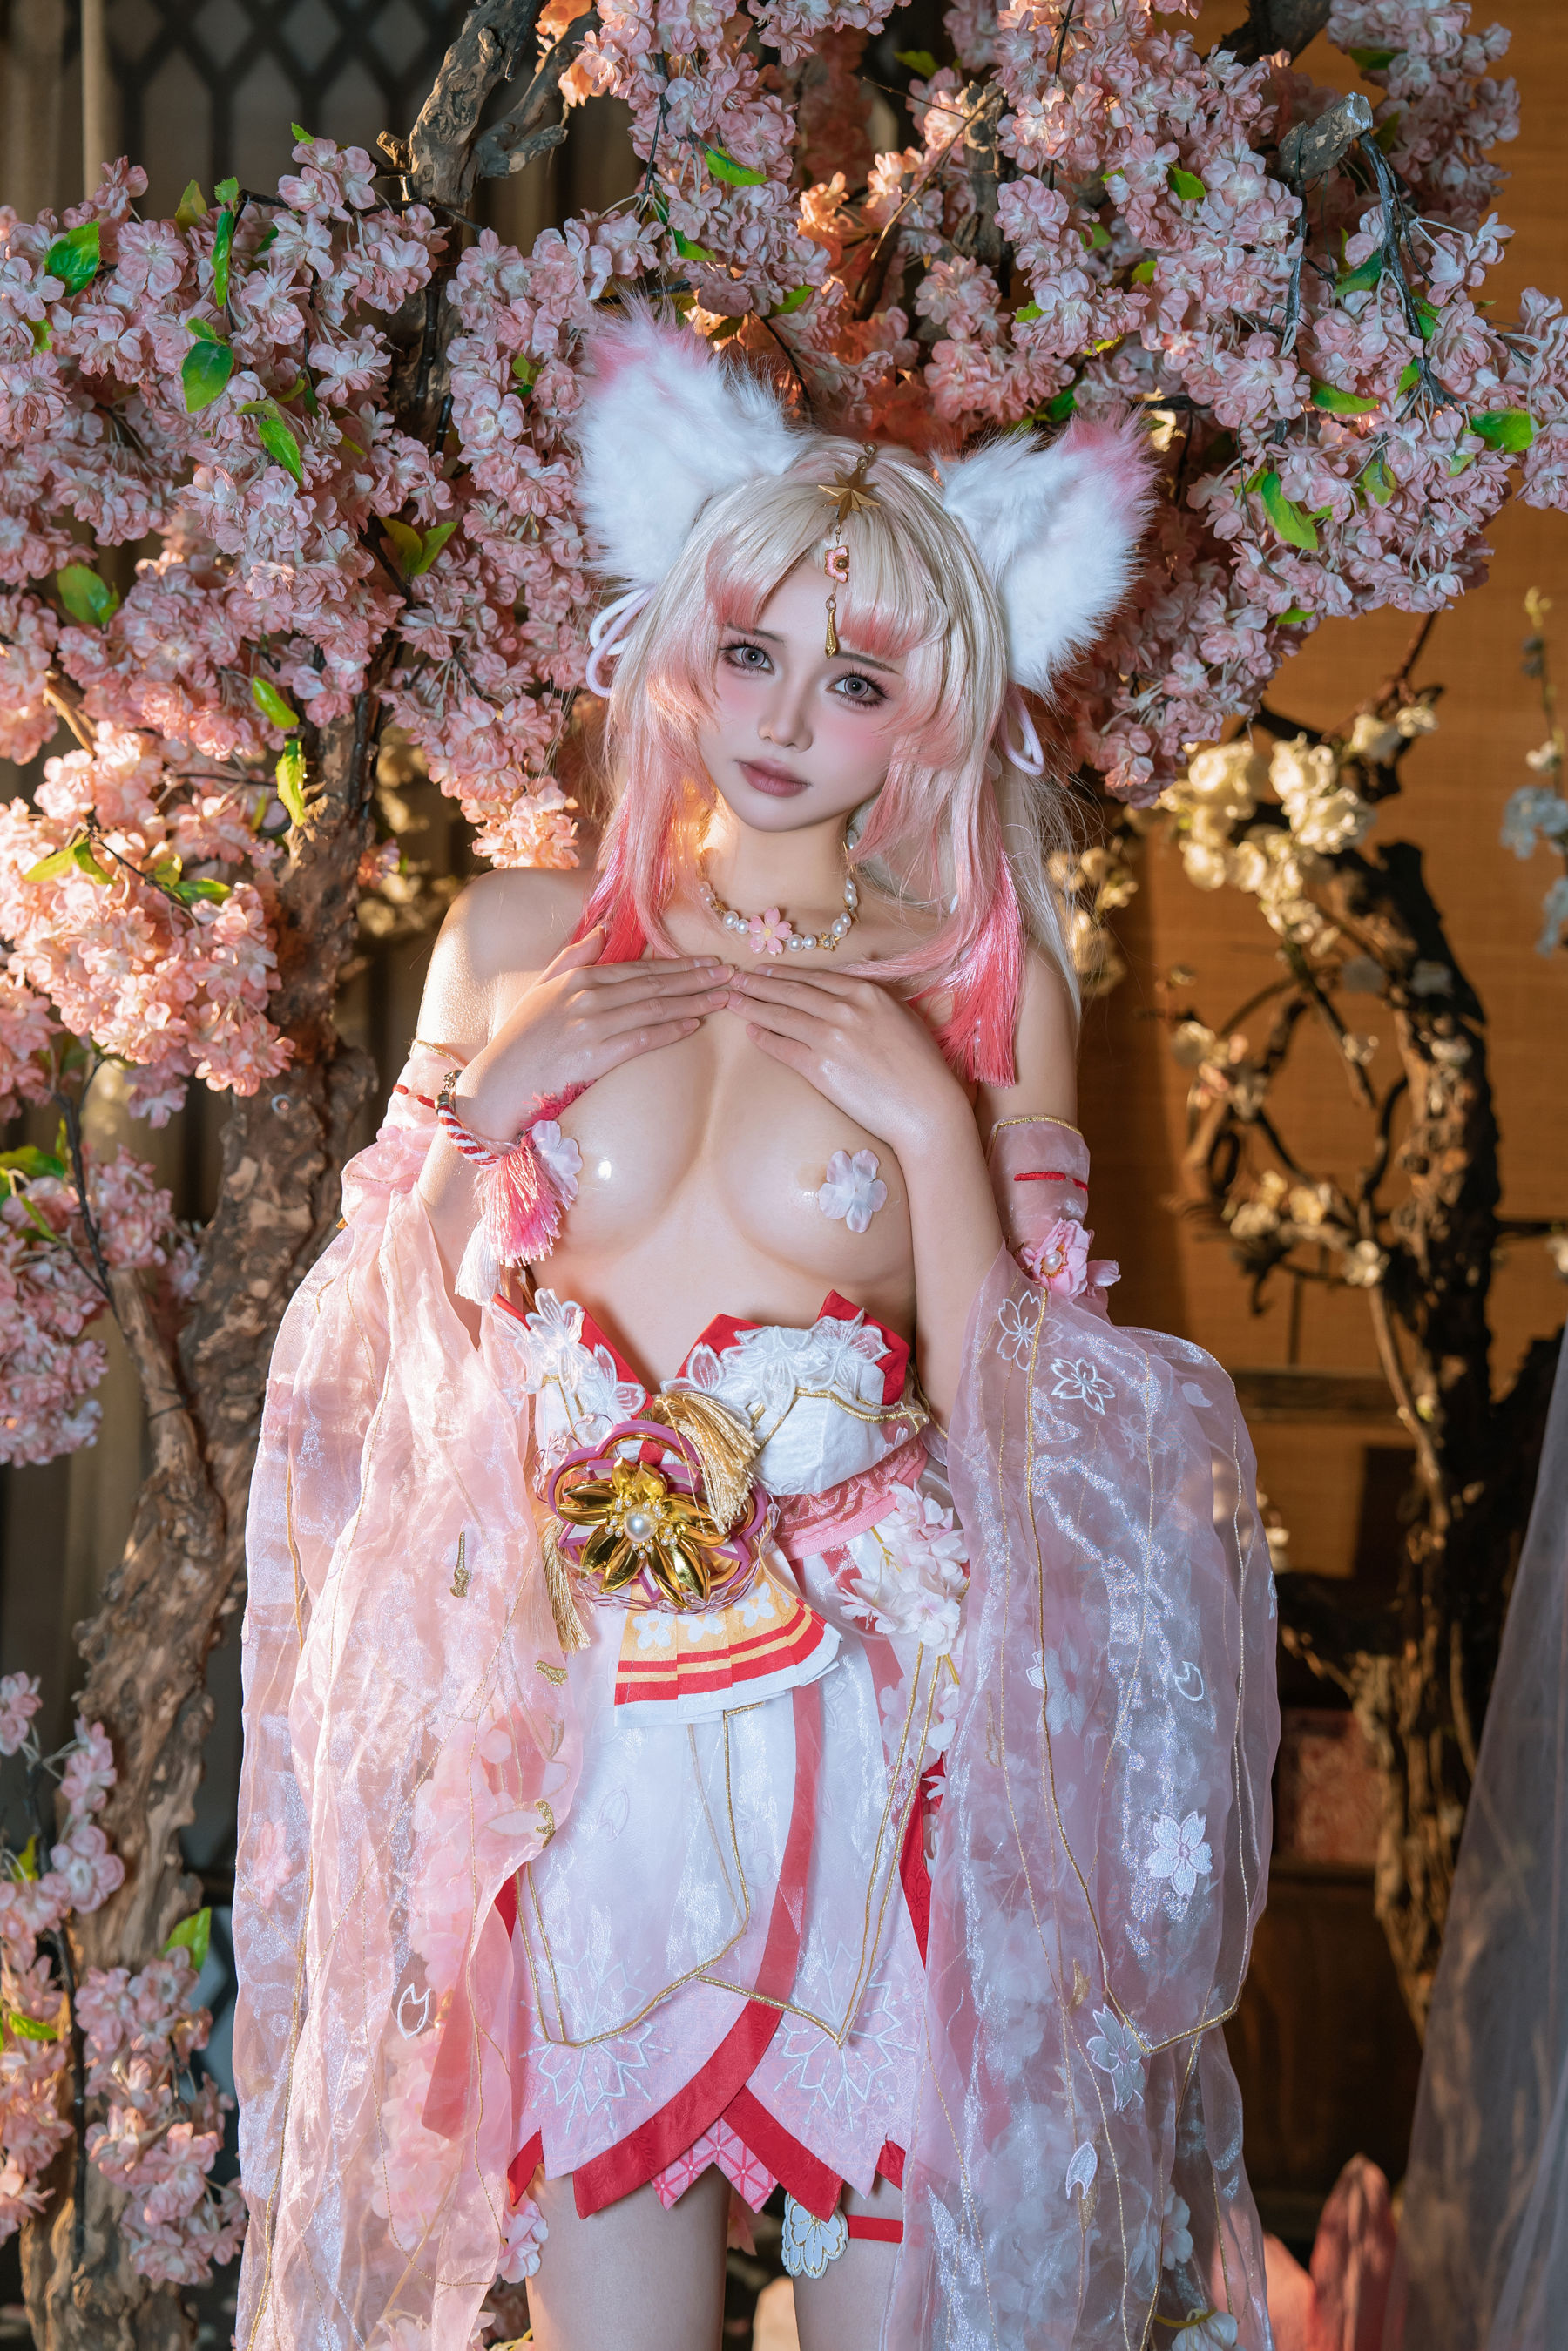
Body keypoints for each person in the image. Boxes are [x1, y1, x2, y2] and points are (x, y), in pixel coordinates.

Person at [233, 311, 1280, 2351]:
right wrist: (492, 1099)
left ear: (932, 715)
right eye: (752, 652)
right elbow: (378, 1361)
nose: (791, 716)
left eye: (857, 679)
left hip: (880, 1734)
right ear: (673, 650)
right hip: (579, 1738)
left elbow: (1030, 1417)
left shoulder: (987, 991)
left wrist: (931, 1133)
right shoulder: (515, 939)